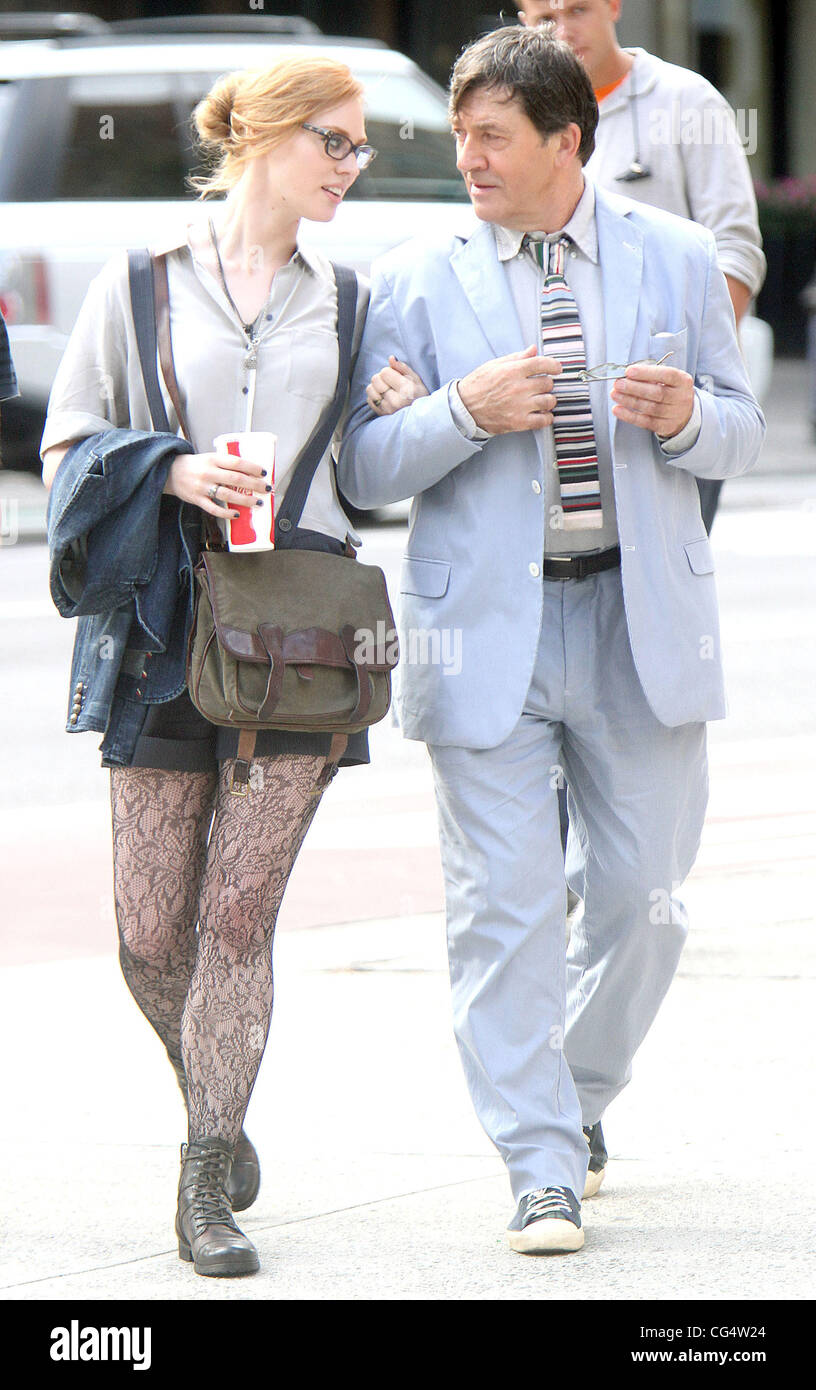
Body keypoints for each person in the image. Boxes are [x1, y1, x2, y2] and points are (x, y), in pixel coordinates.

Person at [338, 25, 764, 1254]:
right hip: (487, 635)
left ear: (565, 140)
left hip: (640, 620)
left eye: (491, 137)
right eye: (460, 135)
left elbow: (739, 428)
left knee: (645, 902)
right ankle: (538, 1164)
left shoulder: (677, 260)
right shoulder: (416, 277)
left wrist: (688, 417)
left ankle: (572, 1101)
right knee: (503, 909)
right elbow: (366, 468)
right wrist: (462, 413)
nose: (466, 156)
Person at [41, 57, 377, 1278]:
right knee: (148, 934)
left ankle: (203, 1186)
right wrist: (172, 468)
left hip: (298, 630)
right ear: (270, 138)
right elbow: (66, 442)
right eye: (335, 143)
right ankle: (215, 1097)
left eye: (357, 149)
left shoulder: (350, 302)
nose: (351, 165)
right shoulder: (136, 286)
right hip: (161, 625)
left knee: (238, 917)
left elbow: (370, 468)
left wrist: (395, 405)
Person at [513, 0, 766, 534]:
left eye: (577, 9)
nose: (562, 30)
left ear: (613, 5)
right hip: (559, 406)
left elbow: (736, 249)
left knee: (662, 587)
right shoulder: (518, 115)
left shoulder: (688, 102)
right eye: (543, 18)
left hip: (664, 403)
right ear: (521, 20)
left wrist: (692, 370)